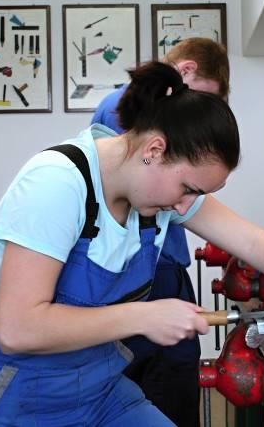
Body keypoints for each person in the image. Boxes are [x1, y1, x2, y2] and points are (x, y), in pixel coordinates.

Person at [0, 61, 264, 427]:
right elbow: (18, 329)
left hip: (98, 383)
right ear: (155, 150)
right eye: (187, 188)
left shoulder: (162, 195)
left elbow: (251, 240)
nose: (186, 205)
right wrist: (144, 316)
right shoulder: (57, 183)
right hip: (19, 389)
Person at [91, 37, 229, 426]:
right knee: (165, 389)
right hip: (148, 272)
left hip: (160, 267)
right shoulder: (124, 115)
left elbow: (242, 235)